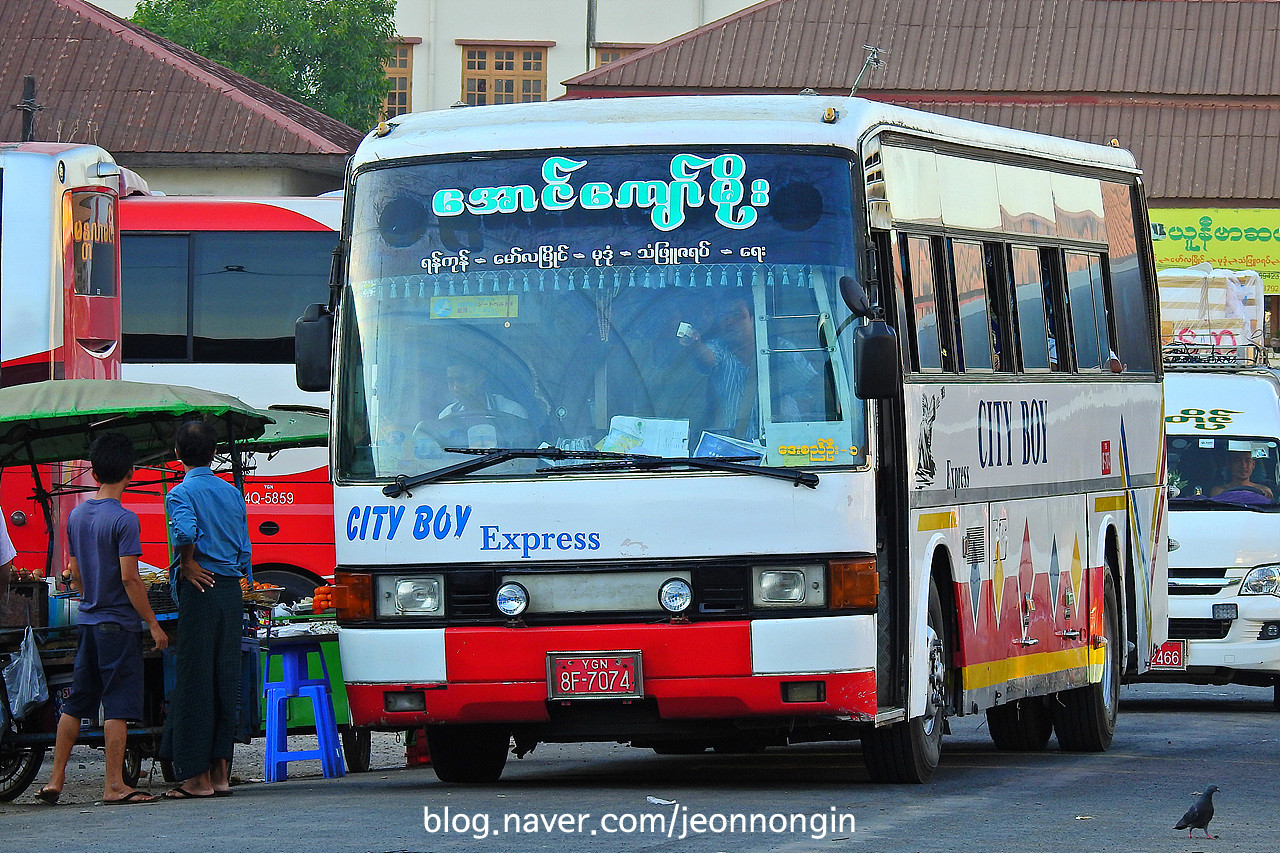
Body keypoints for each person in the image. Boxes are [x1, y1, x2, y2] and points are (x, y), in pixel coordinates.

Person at [37, 432, 168, 805]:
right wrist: (154, 625)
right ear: (130, 472)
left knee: (77, 702)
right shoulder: (125, 520)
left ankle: (56, 779)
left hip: (89, 621)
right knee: (118, 704)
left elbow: (74, 574)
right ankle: (114, 784)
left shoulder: (77, 516)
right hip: (118, 624)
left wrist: (88, 587)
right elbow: (130, 577)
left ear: (93, 473)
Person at [158, 419, 251, 799]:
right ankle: (220, 774)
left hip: (200, 589)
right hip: (231, 591)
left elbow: (183, 531)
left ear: (177, 454)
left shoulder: (181, 492)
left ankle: (196, 780)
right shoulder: (231, 493)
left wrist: (188, 561)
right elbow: (244, 548)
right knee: (225, 679)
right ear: (215, 454)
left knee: (195, 680)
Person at [680, 297, 818, 439]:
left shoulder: (780, 349)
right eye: (723, 316)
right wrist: (694, 344)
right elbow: (707, 357)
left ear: (753, 318)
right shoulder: (719, 347)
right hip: (731, 452)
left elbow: (815, 385)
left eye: (737, 315)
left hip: (785, 448)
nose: (729, 321)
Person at [436, 362, 528, 420]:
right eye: (450, 381)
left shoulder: (512, 412)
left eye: (461, 380)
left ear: (481, 378)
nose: (455, 388)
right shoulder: (447, 415)